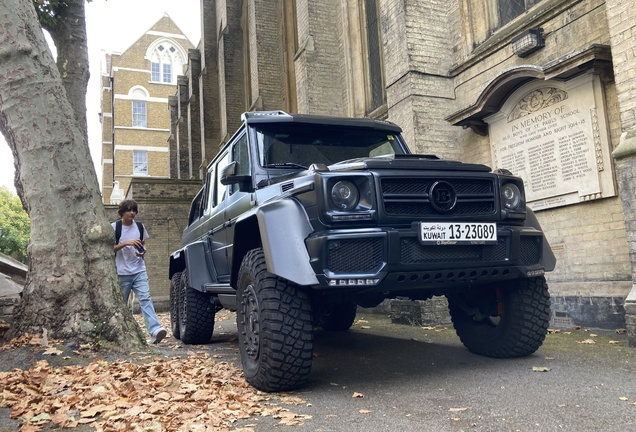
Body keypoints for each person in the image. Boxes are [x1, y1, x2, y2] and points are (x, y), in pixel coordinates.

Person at [112, 199, 167, 344]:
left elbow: (143, 243)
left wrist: (143, 252)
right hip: (121, 272)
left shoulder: (140, 227)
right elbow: (109, 248)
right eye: (129, 210)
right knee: (122, 304)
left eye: (134, 210)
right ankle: (122, 334)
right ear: (122, 212)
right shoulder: (114, 227)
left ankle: (155, 330)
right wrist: (125, 243)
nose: (132, 213)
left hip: (139, 270)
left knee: (145, 299)